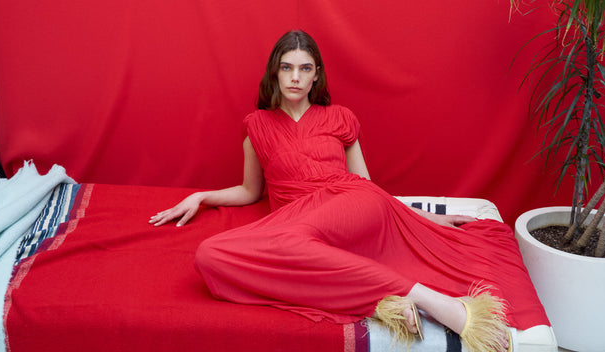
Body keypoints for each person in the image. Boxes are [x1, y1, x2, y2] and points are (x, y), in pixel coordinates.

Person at [149, 30, 548, 351]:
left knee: (295, 241)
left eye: (304, 69)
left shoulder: (340, 118)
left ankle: (433, 302)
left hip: (349, 202)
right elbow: (251, 191)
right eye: (286, 68)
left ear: (317, 75)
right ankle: (384, 300)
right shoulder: (256, 126)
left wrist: (421, 216)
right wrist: (201, 197)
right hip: (299, 223)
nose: (294, 78)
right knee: (211, 255)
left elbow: (367, 187)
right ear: (274, 72)